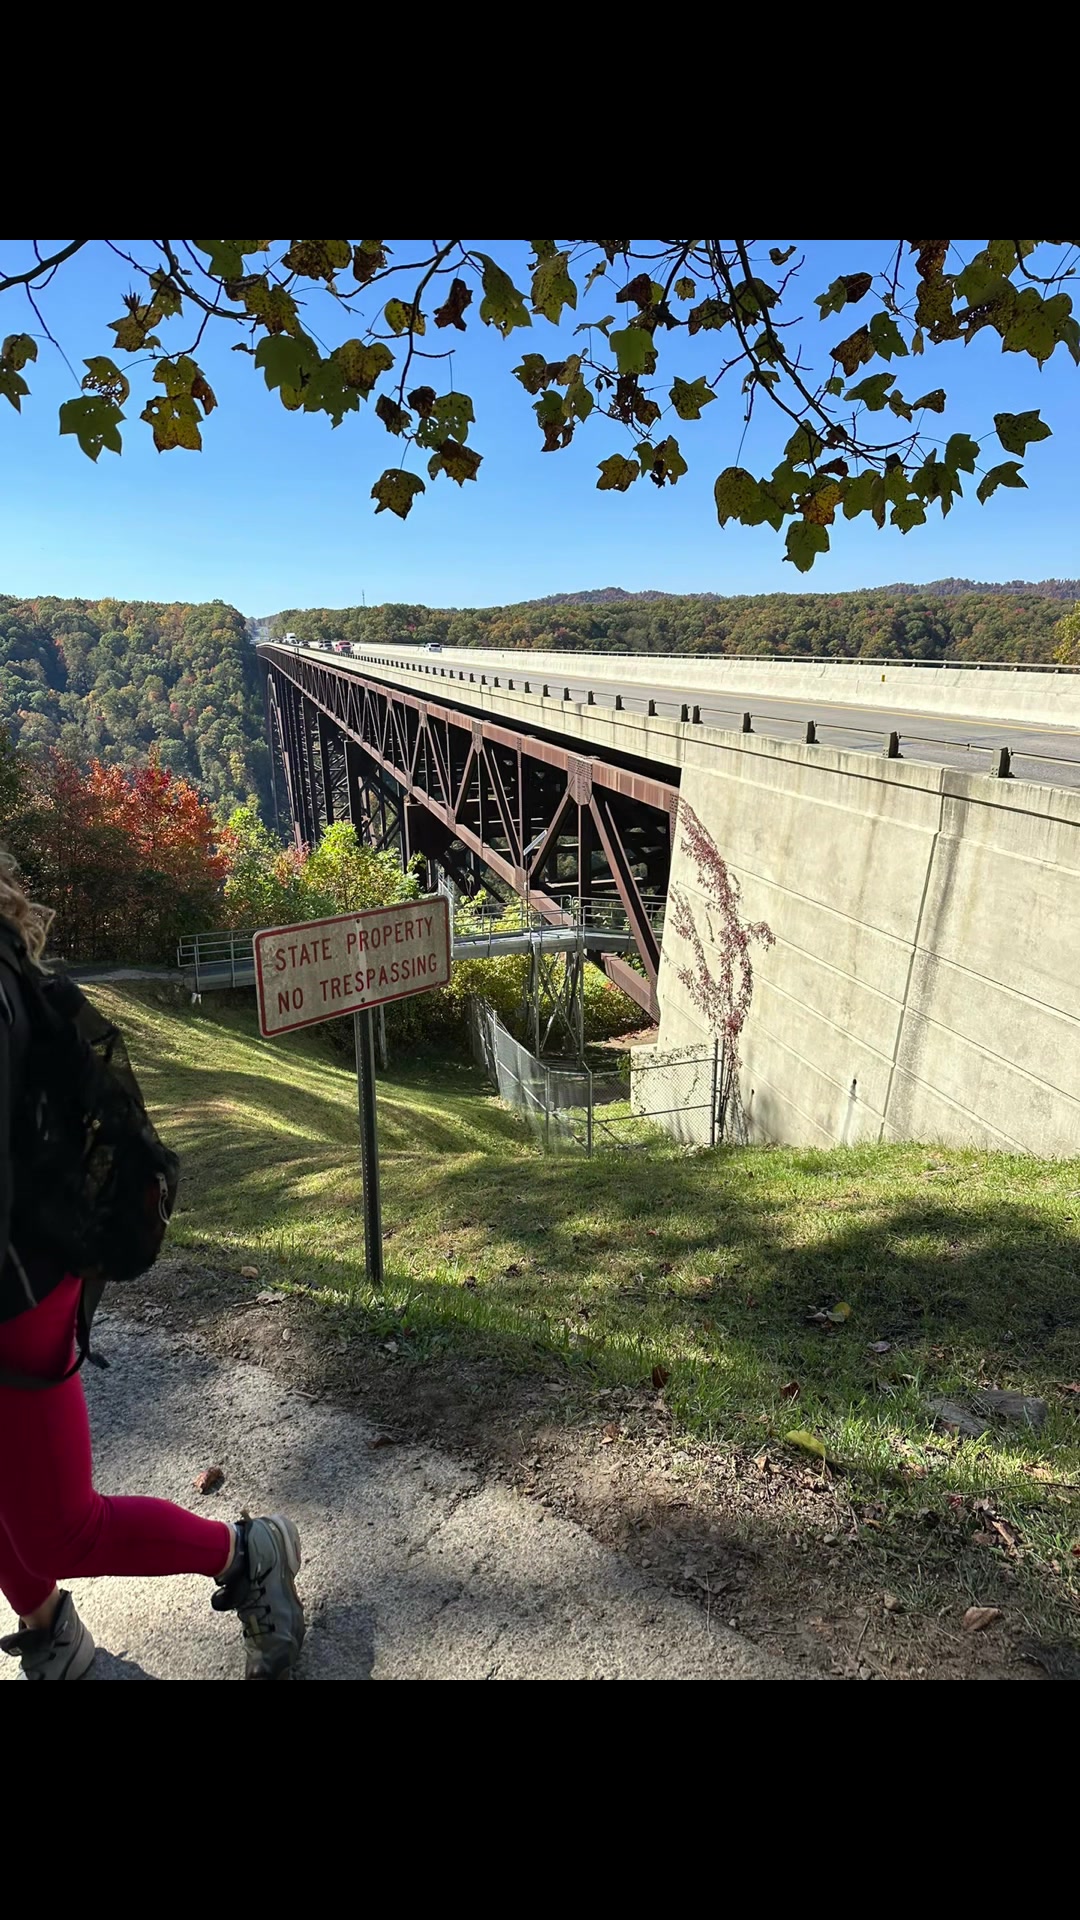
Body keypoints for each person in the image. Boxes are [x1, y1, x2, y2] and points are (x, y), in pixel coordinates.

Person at [0, 849, 305, 1681]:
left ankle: (248, 1554)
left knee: (61, 1527)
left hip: (16, 1288)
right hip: (25, 1265)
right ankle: (48, 1627)